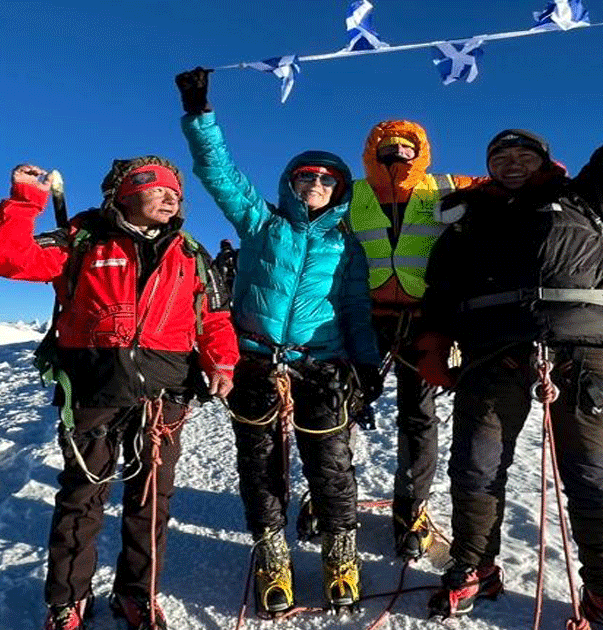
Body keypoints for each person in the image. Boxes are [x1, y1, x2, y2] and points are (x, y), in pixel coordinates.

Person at [416, 16, 603, 630]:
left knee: (591, 471)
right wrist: (432, 342)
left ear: (544, 160)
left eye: (522, 154)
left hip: (585, 347)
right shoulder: (467, 222)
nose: (510, 162)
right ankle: (473, 565)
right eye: (499, 156)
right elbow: (441, 290)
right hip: (491, 347)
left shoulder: (592, 195)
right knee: (475, 464)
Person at [0, 157, 239, 630]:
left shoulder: (192, 254)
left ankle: (138, 595)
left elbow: (215, 319)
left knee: (151, 502)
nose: (170, 195)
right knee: (82, 499)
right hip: (93, 392)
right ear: (123, 194)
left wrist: (221, 361)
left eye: (175, 191)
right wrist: (24, 201)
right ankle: (69, 601)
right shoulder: (82, 239)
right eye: (155, 187)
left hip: (166, 396)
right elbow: (4, 258)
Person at [174, 67, 383, 614]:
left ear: (339, 191)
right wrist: (200, 114)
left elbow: (356, 310)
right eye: (304, 178)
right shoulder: (261, 225)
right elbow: (217, 171)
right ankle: (271, 553)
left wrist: (366, 366)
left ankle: (341, 554)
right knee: (259, 463)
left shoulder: (347, 248)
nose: (314, 186)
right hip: (255, 362)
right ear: (290, 183)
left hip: (323, 363)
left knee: (331, 464)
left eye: (326, 180)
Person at [344, 120, 480, 560]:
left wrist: (550, 177)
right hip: (364, 318)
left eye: (405, 147)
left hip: (424, 322)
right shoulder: (353, 192)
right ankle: (332, 495)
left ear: (419, 150)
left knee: (418, 416)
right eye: (388, 148)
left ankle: (412, 506)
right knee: (340, 407)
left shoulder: (446, 185)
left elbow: (507, 182)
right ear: (373, 152)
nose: (397, 154)